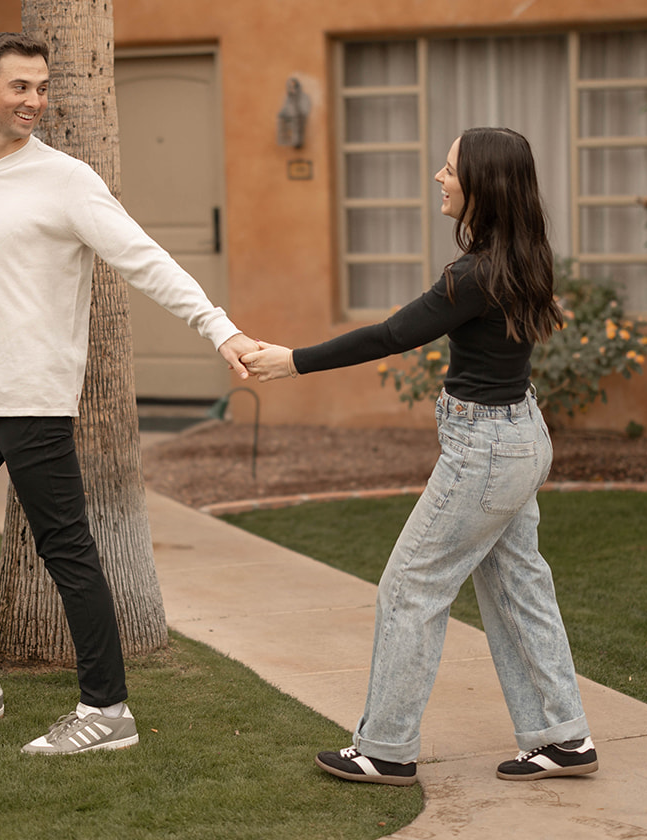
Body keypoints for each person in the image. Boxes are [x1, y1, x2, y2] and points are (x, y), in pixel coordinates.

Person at [0, 31, 257, 756]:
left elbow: (144, 259)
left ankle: (107, 710)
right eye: (20, 87)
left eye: (43, 88)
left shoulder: (68, 180)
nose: (34, 101)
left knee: (67, 549)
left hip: (35, 400)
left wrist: (219, 328)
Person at [242, 126, 596, 786]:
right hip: (520, 437)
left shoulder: (474, 274)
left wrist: (291, 361)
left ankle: (387, 746)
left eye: (450, 168)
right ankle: (563, 734)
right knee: (520, 585)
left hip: (487, 450)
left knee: (410, 587)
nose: (438, 176)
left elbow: (392, 334)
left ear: (482, 186)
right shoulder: (524, 256)